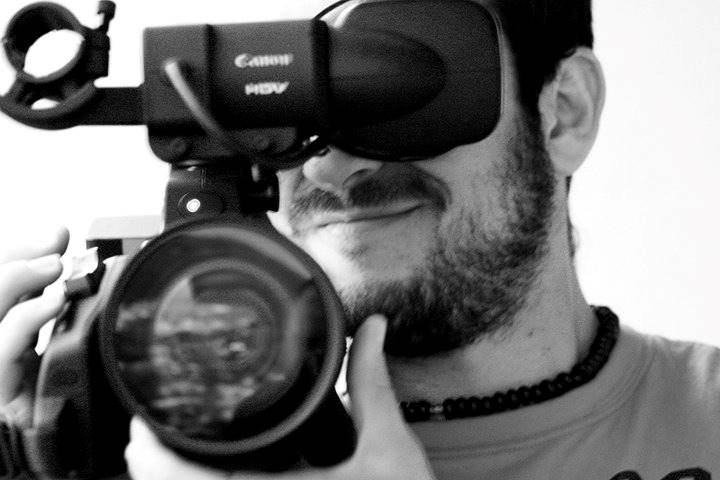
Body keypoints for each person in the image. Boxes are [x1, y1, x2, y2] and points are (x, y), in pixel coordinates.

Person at [1, 0, 720, 479]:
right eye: (296, 108)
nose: (330, 166)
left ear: (563, 113)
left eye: (382, 85)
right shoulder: (153, 456)